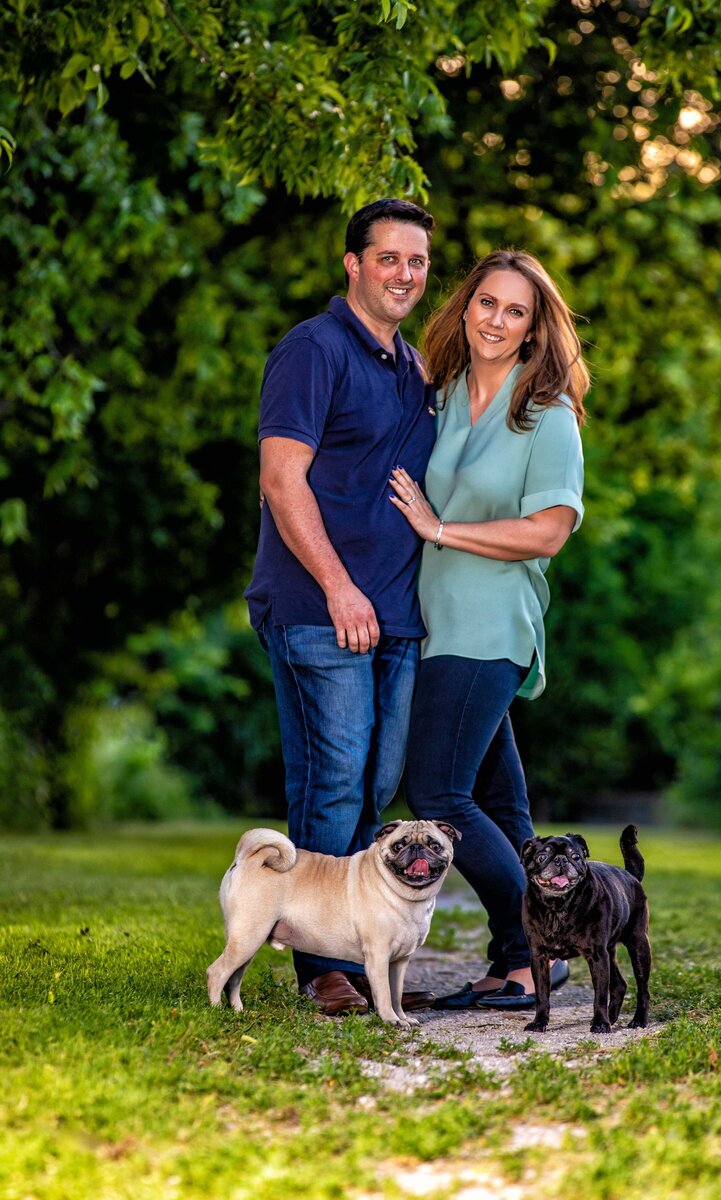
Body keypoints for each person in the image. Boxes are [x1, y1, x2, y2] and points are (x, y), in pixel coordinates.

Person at [245, 198, 437, 1015]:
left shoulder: (414, 367)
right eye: (388, 257)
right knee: (332, 785)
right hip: (321, 606)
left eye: (418, 261)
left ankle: (355, 946)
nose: (404, 274)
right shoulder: (312, 349)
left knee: (375, 784)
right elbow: (281, 478)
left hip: (394, 613)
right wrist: (338, 586)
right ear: (353, 264)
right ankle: (324, 968)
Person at [389, 249, 588, 1010]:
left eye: (516, 311)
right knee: (501, 805)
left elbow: (547, 532)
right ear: (464, 306)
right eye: (487, 304)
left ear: (537, 329)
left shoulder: (549, 413)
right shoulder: (441, 396)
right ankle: (521, 963)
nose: (496, 321)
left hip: (489, 624)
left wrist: (442, 530)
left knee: (438, 791)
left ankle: (547, 935)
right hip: (436, 621)